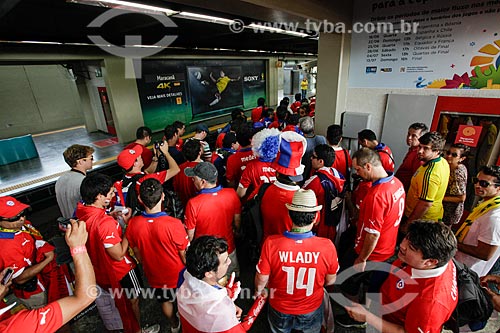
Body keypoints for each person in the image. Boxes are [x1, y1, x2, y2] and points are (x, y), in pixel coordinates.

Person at [345, 220, 458, 333]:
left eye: (412, 248)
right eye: (406, 238)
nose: (402, 246)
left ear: (431, 261)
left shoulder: (430, 305)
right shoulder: (441, 258)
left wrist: (368, 317)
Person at [255, 189, 338, 333]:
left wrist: (259, 292)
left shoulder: (271, 243)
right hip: (311, 308)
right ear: (315, 217)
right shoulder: (327, 246)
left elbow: (261, 279)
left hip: (279, 307)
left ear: (290, 215)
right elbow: (330, 281)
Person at [77, 173, 150, 333]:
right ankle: (137, 329)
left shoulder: (82, 212)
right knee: (133, 300)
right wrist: (129, 228)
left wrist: (110, 216)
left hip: (100, 269)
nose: (113, 195)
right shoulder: (105, 223)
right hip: (122, 269)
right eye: (110, 193)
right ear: (98, 196)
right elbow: (117, 254)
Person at [0, 219, 96, 332]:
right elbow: (85, 297)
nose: (21, 219)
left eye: (21, 214)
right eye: (13, 218)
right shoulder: (17, 327)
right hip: (35, 293)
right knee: (61, 324)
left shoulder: (26, 225)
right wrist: (78, 247)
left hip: (48, 280)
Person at [126, 179, 188, 333]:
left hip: (154, 274)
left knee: (165, 301)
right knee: (184, 302)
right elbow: (183, 254)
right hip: (178, 274)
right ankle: (186, 324)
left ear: (140, 200)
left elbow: (138, 254)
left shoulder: (133, 224)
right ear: (163, 197)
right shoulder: (174, 224)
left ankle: (174, 325)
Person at [177, 236, 246, 333]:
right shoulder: (222, 313)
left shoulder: (184, 276)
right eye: (225, 261)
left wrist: (228, 300)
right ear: (209, 273)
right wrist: (228, 308)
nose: (229, 262)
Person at [184, 162, 241, 277]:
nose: (192, 181)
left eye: (194, 179)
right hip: (228, 249)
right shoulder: (231, 194)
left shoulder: (193, 203)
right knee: (232, 280)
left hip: (206, 256)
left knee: (211, 286)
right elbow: (237, 222)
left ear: (203, 182)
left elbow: (190, 235)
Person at [455, 165, 500, 276]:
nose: (477, 185)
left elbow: (485, 254)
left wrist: (453, 244)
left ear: (498, 188)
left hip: (467, 271)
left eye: (484, 184)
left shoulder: (494, 217)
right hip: (459, 264)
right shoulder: (487, 204)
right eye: (476, 180)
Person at [261, 131, 306, 240]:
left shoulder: (263, 189)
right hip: (291, 252)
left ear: (277, 172)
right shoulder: (305, 199)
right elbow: (315, 221)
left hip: (267, 246)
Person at [402, 131, 449, 233]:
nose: (420, 151)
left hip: (421, 221)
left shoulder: (431, 174)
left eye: (426, 148)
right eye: (420, 147)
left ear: (437, 151)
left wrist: (408, 225)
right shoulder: (442, 161)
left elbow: (425, 204)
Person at [114, 144, 180, 215]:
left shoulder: (124, 180)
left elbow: (146, 173)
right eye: (138, 155)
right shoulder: (148, 179)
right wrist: (166, 153)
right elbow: (175, 169)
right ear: (135, 164)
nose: (140, 155)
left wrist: (156, 157)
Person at [303, 144, 345, 243]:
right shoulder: (339, 175)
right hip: (335, 223)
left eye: (313, 157)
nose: (311, 158)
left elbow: (302, 197)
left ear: (321, 162)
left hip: (319, 225)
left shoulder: (315, 181)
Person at [237, 128, 279, 200]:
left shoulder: (252, 167)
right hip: (278, 200)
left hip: (259, 202)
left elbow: (240, 194)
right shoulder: (283, 164)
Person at [55, 144, 95, 218]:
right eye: (91, 158)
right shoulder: (83, 182)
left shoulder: (60, 179)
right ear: (80, 161)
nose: (93, 160)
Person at [395, 123, 428, 192]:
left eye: (414, 136)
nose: (409, 138)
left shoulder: (419, 155)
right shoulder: (412, 150)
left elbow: (415, 180)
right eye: (408, 134)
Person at [442, 143, 469, 226]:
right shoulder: (448, 166)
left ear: (462, 158)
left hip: (449, 212)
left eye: (454, 155)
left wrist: (441, 198)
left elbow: (461, 198)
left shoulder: (458, 172)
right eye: (448, 152)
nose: (449, 156)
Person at [173, 139, 203, 208]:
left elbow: (176, 189)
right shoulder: (204, 169)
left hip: (184, 206)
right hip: (200, 206)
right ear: (199, 152)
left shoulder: (178, 169)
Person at [226, 124, 257, 189]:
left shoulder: (232, 159)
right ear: (251, 139)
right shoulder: (262, 153)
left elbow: (231, 182)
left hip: (242, 194)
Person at [300, 116, 327, 182]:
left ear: (301, 128)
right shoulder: (322, 139)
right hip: (320, 175)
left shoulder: (301, 142)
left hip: (303, 175)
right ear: (313, 127)